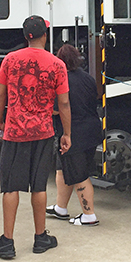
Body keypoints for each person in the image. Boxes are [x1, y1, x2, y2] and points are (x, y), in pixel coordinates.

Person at [0, 16, 71, 259]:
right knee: (39, 185)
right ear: (45, 34)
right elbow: (63, 103)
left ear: (26, 36)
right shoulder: (57, 65)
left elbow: (0, 95)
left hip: (16, 133)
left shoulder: (10, 60)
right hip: (43, 132)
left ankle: (7, 242)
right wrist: (67, 134)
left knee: (11, 186)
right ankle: (40, 237)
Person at [46, 44, 102, 226]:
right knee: (63, 169)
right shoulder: (88, 78)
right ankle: (61, 208)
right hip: (92, 130)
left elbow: (56, 109)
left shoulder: (60, 80)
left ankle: (89, 215)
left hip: (73, 135)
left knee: (79, 175)